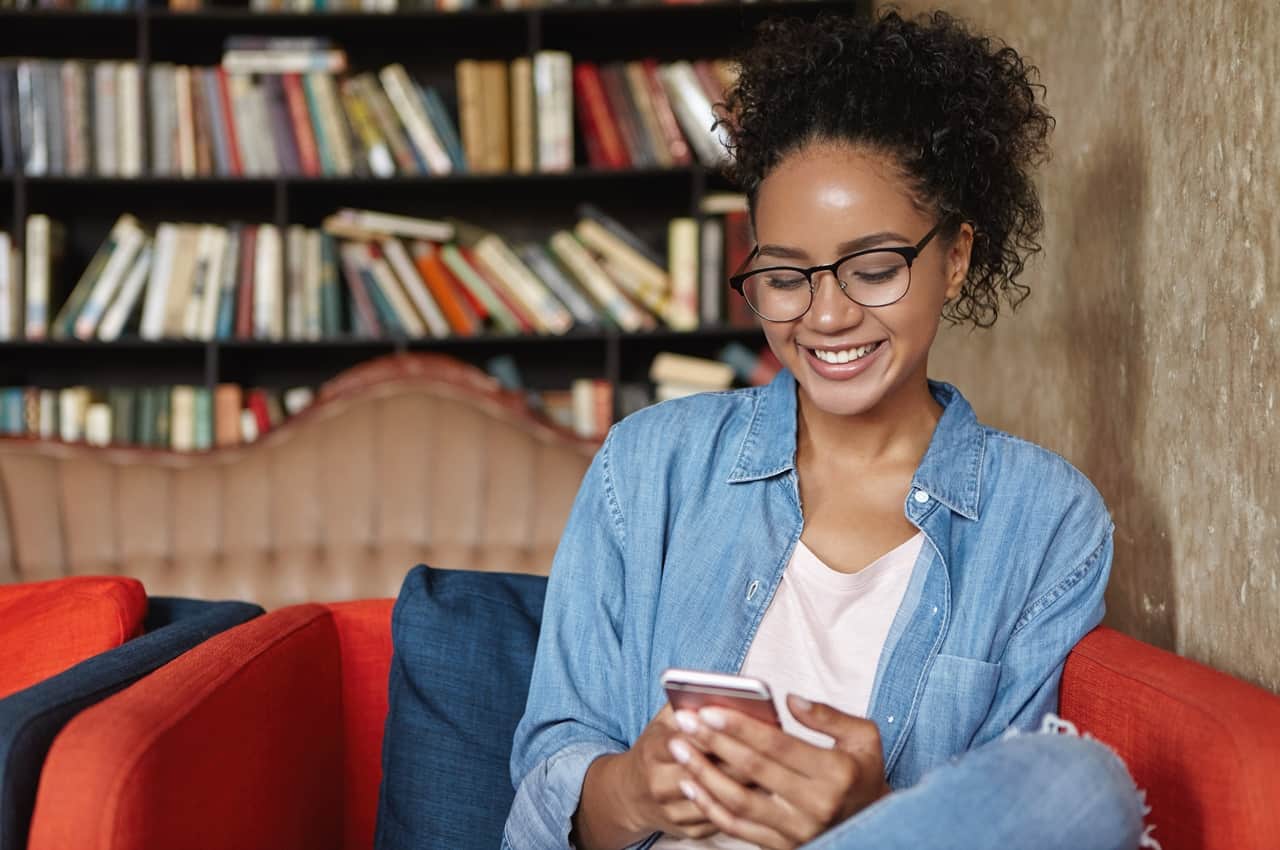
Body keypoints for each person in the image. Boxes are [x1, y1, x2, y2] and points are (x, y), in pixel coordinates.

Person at [504, 9, 1147, 850]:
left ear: (955, 257)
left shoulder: (1046, 520)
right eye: (783, 277)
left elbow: (998, 821)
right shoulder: (648, 466)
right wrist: (635, 788)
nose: (827, 315)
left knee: (1079, 786)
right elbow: (542, 788)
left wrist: (872, 811)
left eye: (874, 269)